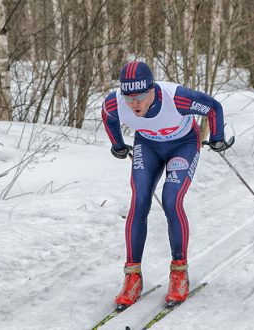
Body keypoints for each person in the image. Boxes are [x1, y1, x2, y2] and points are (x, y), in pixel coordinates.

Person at [101, 60, 231, 308]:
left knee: (171, 200)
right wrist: (117, 145)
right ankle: (132, 278)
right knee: (139, 201)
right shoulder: (114, 101)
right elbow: (108, 117)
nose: (135, 103)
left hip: (183, 144)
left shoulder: (177, 97)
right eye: (129, 97)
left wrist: (217, 138)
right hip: (147, 146)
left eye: (140, 96)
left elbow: (213, 107)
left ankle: (179, 273)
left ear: (152, 89)